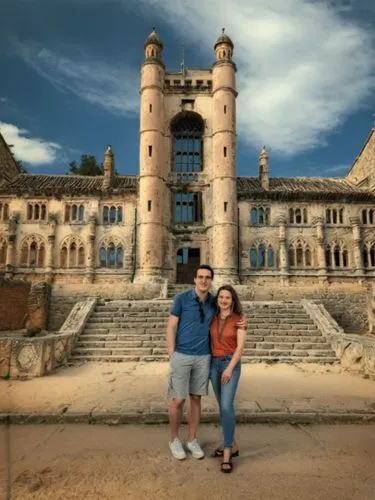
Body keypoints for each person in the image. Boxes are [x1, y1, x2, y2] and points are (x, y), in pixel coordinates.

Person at [166, 264, 216, 460]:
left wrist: (242, 323)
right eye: (201, 277)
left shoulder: (214, 302)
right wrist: (171, 352)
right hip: (182, 355)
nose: (204, 280)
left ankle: (192, 439)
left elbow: (229, 313)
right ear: (194, 279)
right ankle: (174, 439)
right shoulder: (181, 299)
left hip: (203, 356)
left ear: (211, 281)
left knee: (196, 399)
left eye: (207, 277)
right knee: (178, 399)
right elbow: (171, 325)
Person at [209, 285, 246, 473]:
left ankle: (227, 452)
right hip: (213, 365)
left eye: (228, 298)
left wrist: (230, 368)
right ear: (217, 299)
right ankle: (232, 443)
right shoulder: (212, 317)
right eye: (221, 297)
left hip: (229, 365)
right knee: (222, 407)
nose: (224, 300)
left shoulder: (239, 320)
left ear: (233, 300)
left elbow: (240, 348)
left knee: (226, 406)